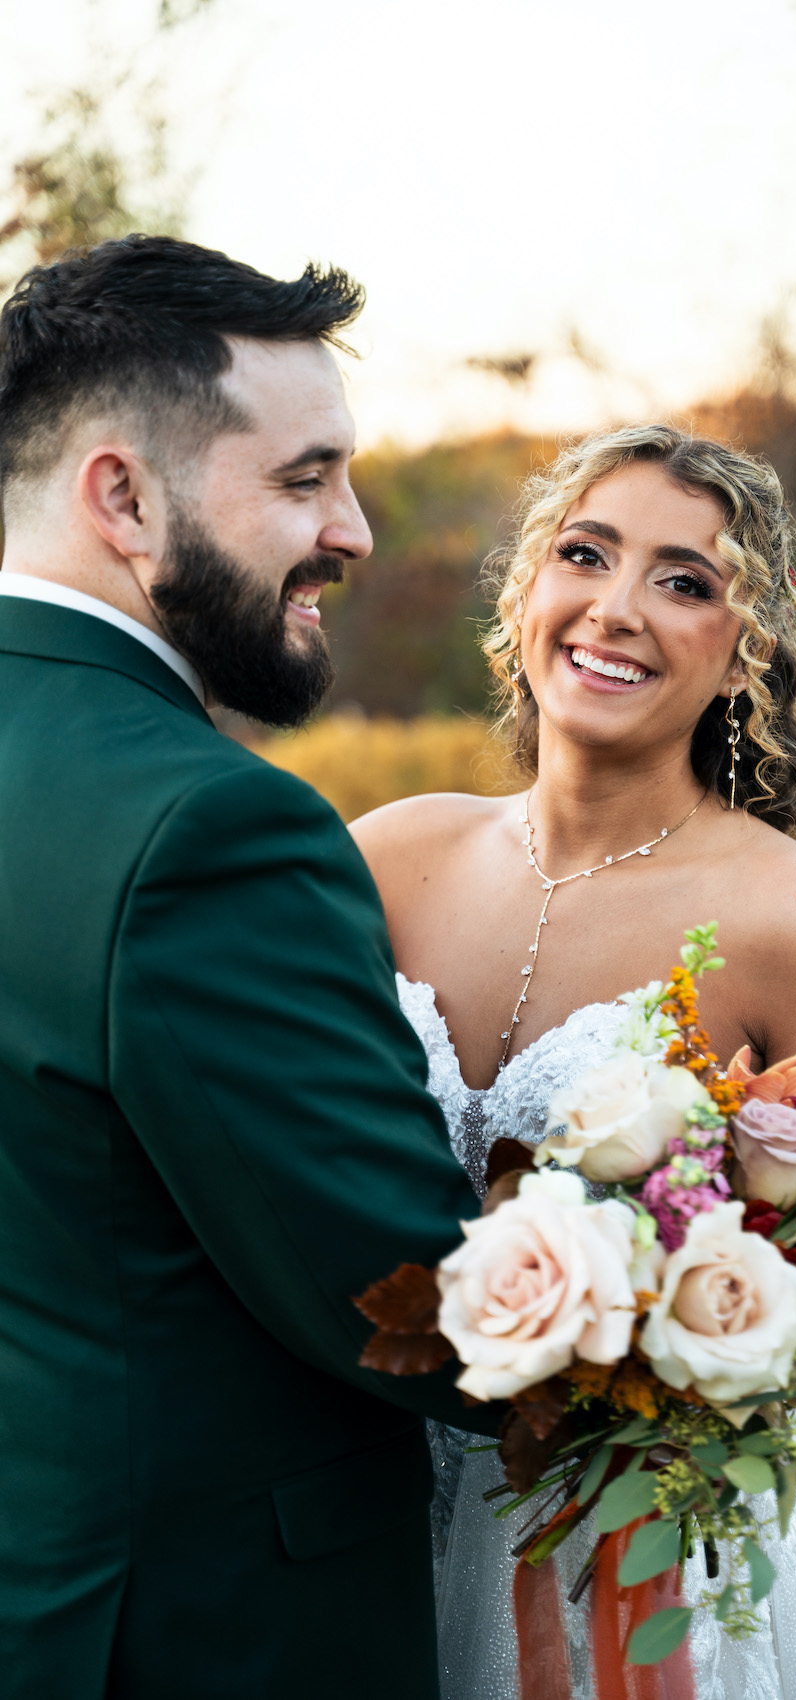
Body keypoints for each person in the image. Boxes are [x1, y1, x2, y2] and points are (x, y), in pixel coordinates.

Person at [351, 424, 796, 1699]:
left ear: (747, 653)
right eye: (586, 554)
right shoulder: (383, 858)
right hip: (367, 1521)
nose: (618, 608)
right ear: (525, 594)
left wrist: (671, 1327)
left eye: (685, 581)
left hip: (655, 1569)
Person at [0, 234, 499, 1700]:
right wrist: (741, 1303)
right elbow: (403, 1298)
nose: (350, 531)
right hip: (193, 1639)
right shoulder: (211, 827)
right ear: (124, 497)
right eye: (302, 479)